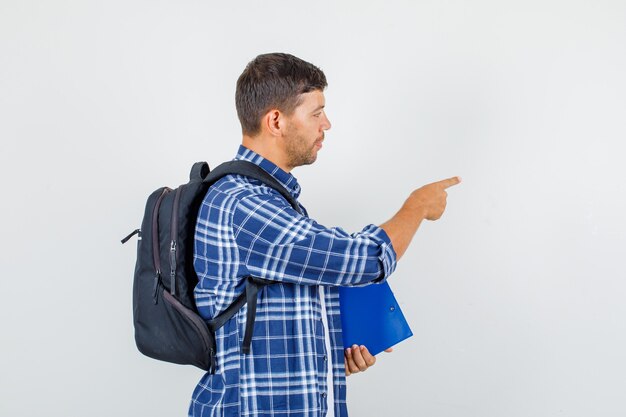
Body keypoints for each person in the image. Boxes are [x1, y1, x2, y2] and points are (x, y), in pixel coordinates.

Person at [189, 52, 460, 417]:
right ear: (276, 120)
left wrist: (330, 353)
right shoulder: (246, 205)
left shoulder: (269, 200)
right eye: (316, 113)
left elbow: (281, 307)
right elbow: (365, 259)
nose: (326, 124)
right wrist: (417, 207)